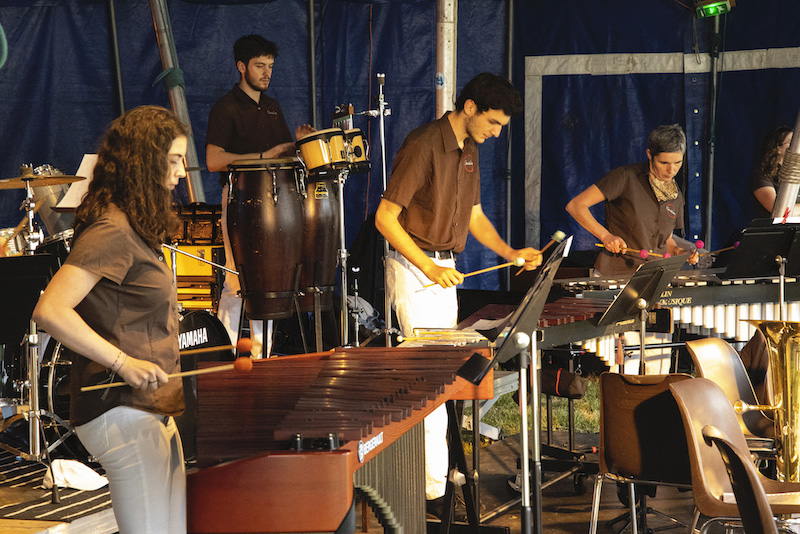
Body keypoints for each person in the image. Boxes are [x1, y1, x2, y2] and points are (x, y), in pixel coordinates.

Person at [374, 72, 541, 507]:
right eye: (494, 123)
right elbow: (386, 218)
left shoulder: (470, 149)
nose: (496, 133)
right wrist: (427, 265)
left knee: (442, 381)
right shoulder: (423, 143)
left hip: (443, 269)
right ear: (470, 108)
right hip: (415, 268)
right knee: (426, 382)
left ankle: (435, 482)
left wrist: (512, 252)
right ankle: (427, 494)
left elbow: (475, 215)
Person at [32, 105, 188, 533]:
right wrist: (125, 363)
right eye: (173, 160)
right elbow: (50, 310)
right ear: (146, 161)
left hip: (149, 408)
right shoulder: (112, 229)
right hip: (120, 407)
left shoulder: (135, 226)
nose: (181, 172)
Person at [206, 34, 314, 357]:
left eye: (270, 66)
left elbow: (281, 154)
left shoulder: (272, 107)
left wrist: (299, 144)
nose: (266, 73)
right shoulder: (226, 108)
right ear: (241, 67)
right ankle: (222, 354)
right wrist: (263, 157)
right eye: (259, 66)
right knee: (238, 280)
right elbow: (213, 160)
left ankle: (261, 355)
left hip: (276, 202)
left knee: (269, 281)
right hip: (240, 200)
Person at [565, 124, 699, 278]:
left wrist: (678, 251)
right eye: (664, 163)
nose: (672, 170)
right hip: (616, 275)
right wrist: (605, 236)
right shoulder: (624, 177)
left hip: (654, 277)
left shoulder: (676, 194)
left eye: (677, 163)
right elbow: (575, 206)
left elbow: (665, 239)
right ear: (649, 154)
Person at [752, 125, 795, 218]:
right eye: (791, 142)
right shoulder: (763, 175)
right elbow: (777, 210)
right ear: (778, 148)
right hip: (776, 230)